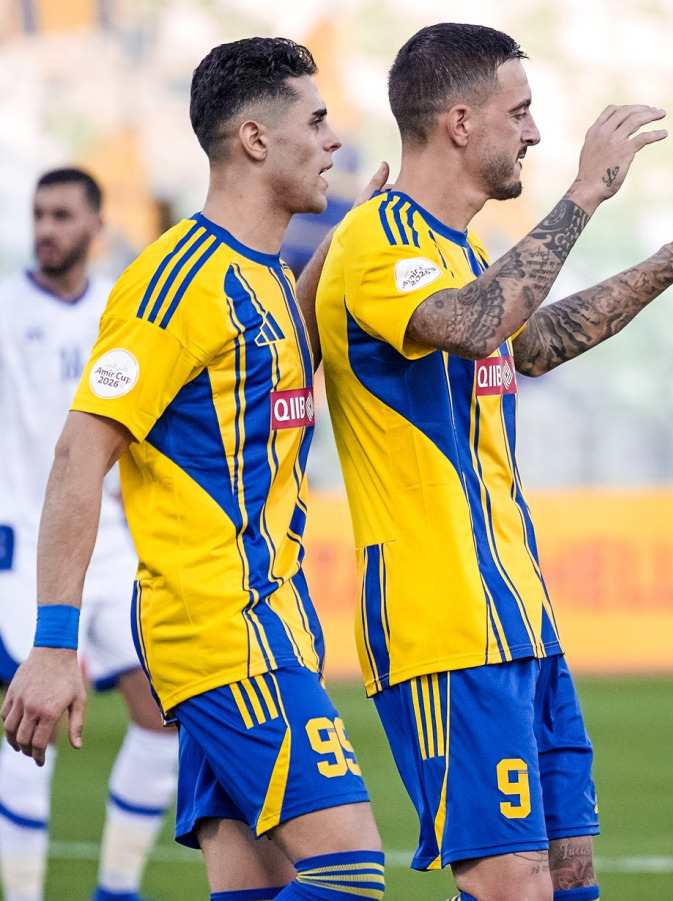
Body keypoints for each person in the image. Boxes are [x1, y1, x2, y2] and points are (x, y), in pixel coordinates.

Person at [306, 22, 673, 901]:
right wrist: (587, 193)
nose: (538, 135)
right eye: (523, 113)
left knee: (569, 879)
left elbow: (532, 338)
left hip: (517, 613)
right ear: (462, 122)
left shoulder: (464, 251)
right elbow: (478, 322)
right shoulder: (376, 240)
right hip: (442, 620)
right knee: (511, 884)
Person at [1, 38, 389, 901]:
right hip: (221, 627)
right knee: (351, 872)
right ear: (255, 138)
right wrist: (55, 643)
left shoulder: (263, 279)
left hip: (269, 618)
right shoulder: (172, 282)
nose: (333, 140)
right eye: (316, 121)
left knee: (255, 888)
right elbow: (79, 454)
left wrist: (348, 242)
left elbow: (272, 357)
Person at [0, 167, 178, 901]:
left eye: (63, 214)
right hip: (25, 556)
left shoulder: (119, 312)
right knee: (24, 736)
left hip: (115, 553)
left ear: (96, 225)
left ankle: (116, 888)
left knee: (165, 719)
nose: (47, 228)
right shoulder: (6, 309)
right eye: (39, 214)